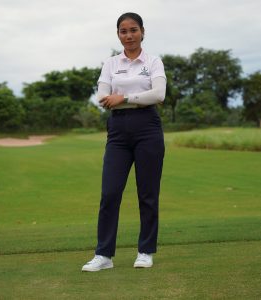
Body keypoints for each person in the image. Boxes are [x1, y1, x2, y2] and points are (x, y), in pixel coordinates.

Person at [82, 12, 166, 272]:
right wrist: (130, 97)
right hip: (118, 131)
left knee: (148, 193)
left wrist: (125, 98)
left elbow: (159, 94)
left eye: (133, 30)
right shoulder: (110, 64)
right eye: (123, 31)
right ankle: (104, 255)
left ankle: (145, 251)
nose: (128, 35)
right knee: (109, 193)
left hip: (147, 128)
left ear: (142, 32)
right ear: (118, 34)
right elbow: (103, 96)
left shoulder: (153, 61)